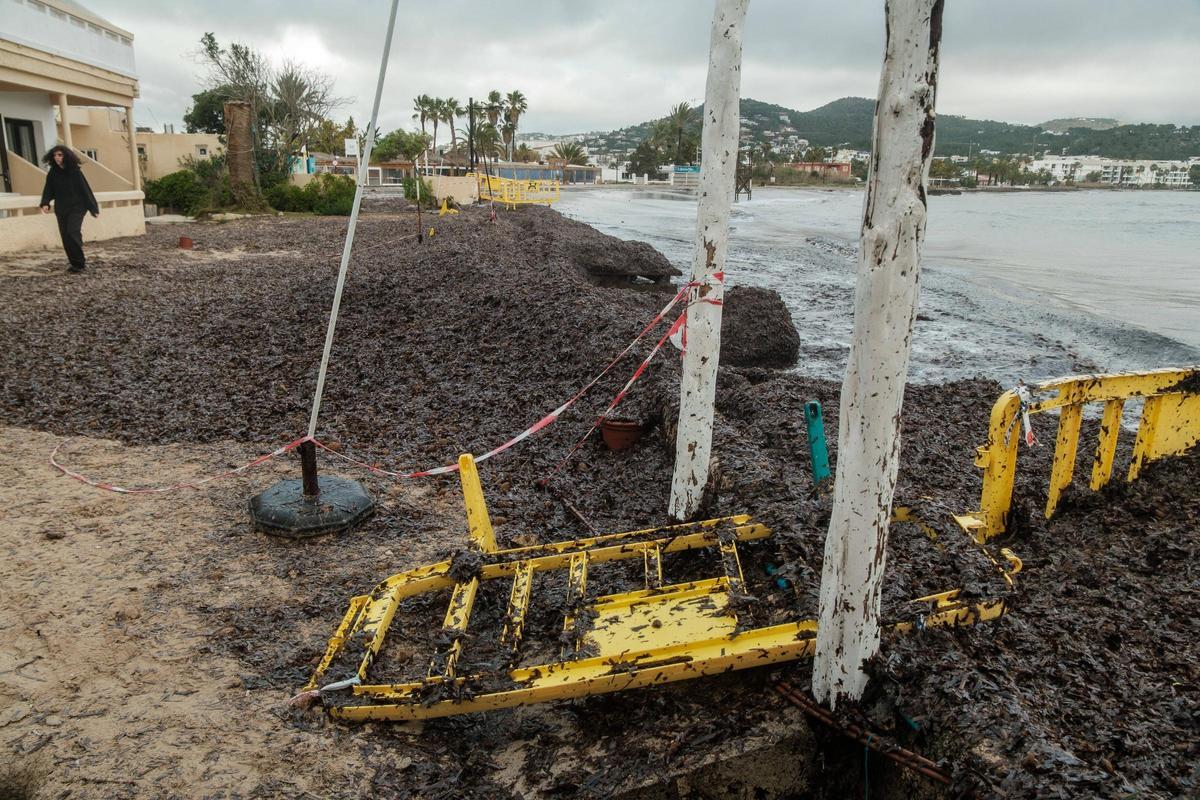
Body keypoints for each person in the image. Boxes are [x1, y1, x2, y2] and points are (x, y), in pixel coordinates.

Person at [39, 145, 99, 274]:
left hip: (77, 207)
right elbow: (48, 189)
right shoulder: (53, 173)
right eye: (55, 155)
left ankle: (80, 262)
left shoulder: (75, 172)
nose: (57, 157)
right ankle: (75, 264)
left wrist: (93, 208)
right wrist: (45, 203)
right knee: (65, 236)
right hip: (61, 208)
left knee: (73, 231)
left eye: (60, 155)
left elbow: (85, 190)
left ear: (66, 156)